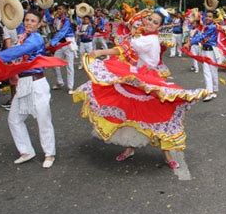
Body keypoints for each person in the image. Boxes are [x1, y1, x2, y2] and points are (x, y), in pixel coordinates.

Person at [73, 9, 206, 169]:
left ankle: (167, 155)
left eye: (155, 22)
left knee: (156, 114)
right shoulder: (145, 36)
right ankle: (131, 148)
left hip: (148, 79)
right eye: (149, 19)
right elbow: (128, 49)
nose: (150, 23)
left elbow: (123, 49)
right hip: (139, 77)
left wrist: (101, 51)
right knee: (132, 112)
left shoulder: (149, 40)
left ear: (159, 26)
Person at [0, 10, 57, 168]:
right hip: (23, 83)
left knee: (43, 120)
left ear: (38, 24)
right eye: (27, 20)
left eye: (32, 21)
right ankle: (26, 151)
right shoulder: (22, 37)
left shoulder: (35, 38)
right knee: (14, 119)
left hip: (37, 83)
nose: (29, 23)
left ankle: (49, 153)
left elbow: (20, 52)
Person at [189, 11, 219, 102]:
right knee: (206, 72)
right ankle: (209, 92)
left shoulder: (213, 27)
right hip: (204, 51)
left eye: (210, 16)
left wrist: (189, 42)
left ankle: (214, 90)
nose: (208, 18)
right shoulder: (204, 27)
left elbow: (202, 36)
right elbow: (199, 35)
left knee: (213, 72)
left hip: (212, 52)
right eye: (207, 16)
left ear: (213, 18)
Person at [50, 3, 75, 94]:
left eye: (61, 9)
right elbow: (49, 20)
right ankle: (60, 82)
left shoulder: (67, 21)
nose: (59, 11)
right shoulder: (56, 20)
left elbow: (62, 33)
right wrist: (45, 8)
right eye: (58, 9)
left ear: (65, 10)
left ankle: (70, 87)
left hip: (68, 44)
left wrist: (52, 43)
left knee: (69, 66)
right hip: (60, 44)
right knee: (54, 64)